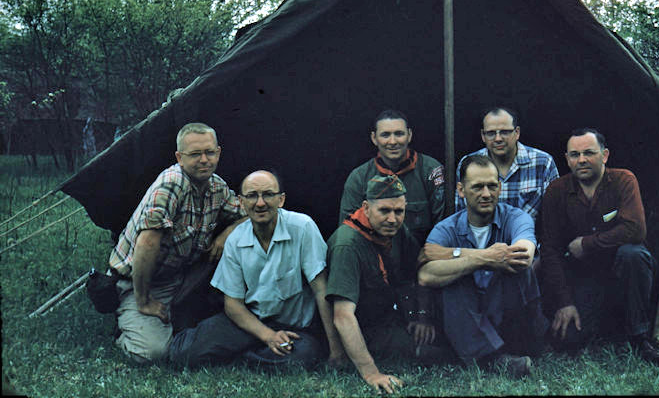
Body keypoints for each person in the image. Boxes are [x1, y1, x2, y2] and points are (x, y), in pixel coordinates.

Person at [167, 170, 345, 368]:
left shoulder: (302, 227)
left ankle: (238, 357)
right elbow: (233, 305)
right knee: (185, 354)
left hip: (293, 327)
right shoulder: (235, 239)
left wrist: (336, 351)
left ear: (281, 200)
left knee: (303, 356)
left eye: (268, 194)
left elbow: (322, 291)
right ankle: (254, 353)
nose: (260, 203)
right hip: (248, 322)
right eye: (252, 196)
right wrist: (267, 336)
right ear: (241, 203)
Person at [108, 122, 247, 363]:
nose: (204, 160)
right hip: (143, 281)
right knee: (151, 353)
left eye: (210, 152)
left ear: (219, 153)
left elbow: (249, 212)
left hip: (182, 277)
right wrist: (145, 301)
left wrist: (228, 232)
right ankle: (129, 322)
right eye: (195, 154)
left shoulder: (217, 186)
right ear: (179, 157)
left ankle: (178, 315)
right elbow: (147, 245)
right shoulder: (171, 184)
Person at [540, 128, 659, 366]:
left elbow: (635, 230)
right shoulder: (556, 191)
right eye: (575, 155)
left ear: (605, 155)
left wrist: (587, 244)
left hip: (622, 271)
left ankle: (638, 336)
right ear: (567, 159)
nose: (582, 160)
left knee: (634, 254)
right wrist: (565, 302)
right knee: (568, 339)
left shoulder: (623, 180)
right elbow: (550, 250)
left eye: (589, 153)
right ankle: (604, 326)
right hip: (584, 277)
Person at [419, 154, 547, 378]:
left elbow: (524, 255)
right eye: (477, 187)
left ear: (499, 187)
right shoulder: (446, 229)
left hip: (514, 323)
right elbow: (425, 275)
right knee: (453, 277)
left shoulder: (516, 218)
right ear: (461, 190)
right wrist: (483, 258)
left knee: (515, 268)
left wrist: (456, 257)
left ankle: (463, 353)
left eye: (491, 186)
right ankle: (494, 361)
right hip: (468, 316)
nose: (486, 194)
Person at [327, 175, 445, 394]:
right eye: (385, 211)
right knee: (431, 353)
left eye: (399, 211)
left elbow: (416, 271)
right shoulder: (348, 244)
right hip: (365, 329)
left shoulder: (396, 231)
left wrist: (420, 316)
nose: (393, 219)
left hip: (390, 318)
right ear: (366, 207)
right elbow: (343, 316)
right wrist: (371, 372)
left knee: (441, 336)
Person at [340, 109, 445, 245]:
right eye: (385, 135)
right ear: (374, 138)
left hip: (423, 258)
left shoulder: (431, 171)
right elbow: (348, 231)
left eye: (399, 134)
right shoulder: (359, 178)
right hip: (375, 258)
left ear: (409, 135)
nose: (393, 141)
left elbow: (444, 226)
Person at [455, 107, 558, 225]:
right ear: (483, 136)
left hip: (529, 241)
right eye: (491, 133)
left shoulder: (543, 163)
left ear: (517, 132)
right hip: (482, 242)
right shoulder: (469, 164)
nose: (498, 139)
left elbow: (553, 216)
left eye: (504, 132)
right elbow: (461, 215)